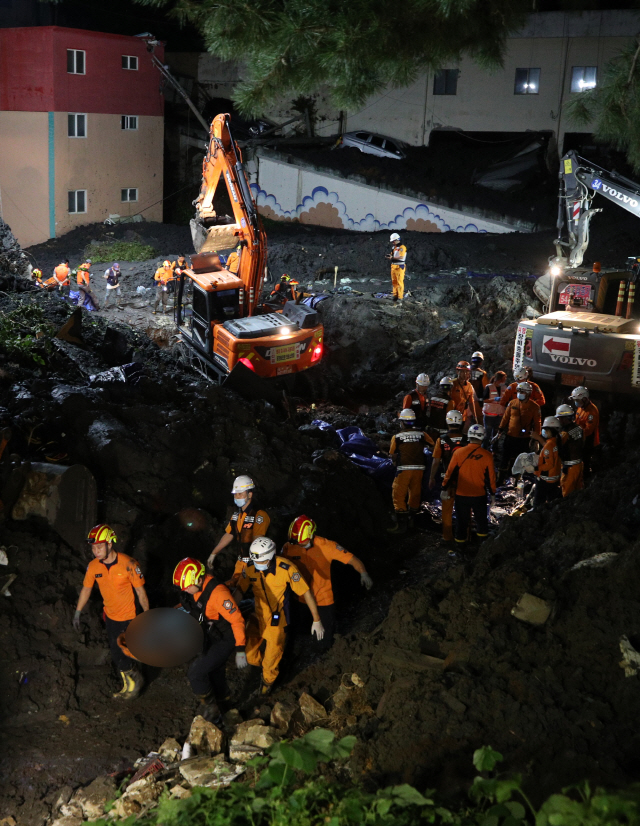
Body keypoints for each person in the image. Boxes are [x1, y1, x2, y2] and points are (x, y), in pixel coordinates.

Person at [232, 537, 324, 695]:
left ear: (270, 558)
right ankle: (272, 664)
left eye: (261, 563)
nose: (258, 568)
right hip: (258, 615)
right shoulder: (251, 567)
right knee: (250, 656)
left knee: (270, 661)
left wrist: (317, 620)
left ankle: (267, 685)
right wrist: (230, 610)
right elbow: (240, 590)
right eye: (256, 563)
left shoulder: (286, 569)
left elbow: (305, 592)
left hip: (277, 620)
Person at [73, 524, 149, 699]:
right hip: (111, 617)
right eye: (93, 547)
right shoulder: (93, 566)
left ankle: (137, 679)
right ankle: (130, 685)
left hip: (130, 617)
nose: (96, 551)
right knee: (117, 653)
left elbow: (141, 593)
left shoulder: (128, 564)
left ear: (109, 544)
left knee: (129, 651)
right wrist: (77, 612)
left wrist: (147, 616)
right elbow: (86, 589)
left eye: (99, 546)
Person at [282, 515, 372, 648]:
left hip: (323, 601)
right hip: (300, 599)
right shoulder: (289, 547)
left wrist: (363, 573)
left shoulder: (327, 546)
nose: (299, 545)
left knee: (324, 639)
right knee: (298, 633)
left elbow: (352, 559)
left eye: (302, 542)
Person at [173, 557, 247, 716]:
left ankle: (211, 711)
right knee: (215, 670)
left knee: (196, 673)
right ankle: (225, 704)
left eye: (187, 587)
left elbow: (237, 620)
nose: (184, 590)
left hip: (226, 637)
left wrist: (240, 649)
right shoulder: (194, 589)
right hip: (210, 631)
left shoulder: (218, 594)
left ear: (199, 580)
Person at [442, 423, 496, 550]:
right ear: (482, 437)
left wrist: (444, 488)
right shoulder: (487, 455)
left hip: (462, 495)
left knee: (461, 522)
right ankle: (481, 548)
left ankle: (460, 550)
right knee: (481, 521)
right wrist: (492, 494)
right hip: (479, 495)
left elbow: (449, 473)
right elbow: (491, 478)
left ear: (469, 436)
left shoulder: (458, 453)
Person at [208, 475, 270, 571]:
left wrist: (254, 563)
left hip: (255, 562)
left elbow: (258, 539)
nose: (237, 497)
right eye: (235, 494)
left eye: (240, 494)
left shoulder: (259, 515)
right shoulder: (236, 515)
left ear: (250, 494)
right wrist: (214, 553)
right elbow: (229, 534)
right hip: (240, 562)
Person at [387, 408, 435, 534]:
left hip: (404, 469)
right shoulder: (422, 434)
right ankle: (413, 521)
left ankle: (402, 526)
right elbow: (433, 446)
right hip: (419, 469)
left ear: (402, 422)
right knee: (415, 494)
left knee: (398, 495)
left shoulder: (397, 437)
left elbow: (392, 455)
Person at [428, 410, 468, 542]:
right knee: (464, 509)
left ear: (447, 421)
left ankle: (447, 537)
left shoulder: (442, 440)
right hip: (464, 479)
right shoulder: (467, 439)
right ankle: (464, 536)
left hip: (447, 480)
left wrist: (432, 477)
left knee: (447, 510)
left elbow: (436, 461)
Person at [498, 381, 541, 482]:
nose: (519, 393)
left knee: (521, 459)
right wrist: (500, 429)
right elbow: (505, 417)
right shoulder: (512, 403)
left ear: (528, 393)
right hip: (510, 436)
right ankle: (500, 479)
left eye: (522, 391)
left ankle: (516, 479)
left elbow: (537, 423)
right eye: (518, 391)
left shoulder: (534, 407)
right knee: (505, 458)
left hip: (524, 438)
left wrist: (536, 438)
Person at [530, 416, 562, 508]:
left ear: (550, 431)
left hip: (545, 479)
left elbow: (549, 464)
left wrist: (536, 468)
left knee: (538, 502)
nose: (543, 431)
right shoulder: (557, 442)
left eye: (545, 429)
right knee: (551, 500)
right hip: (554, 478)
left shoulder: (549, 445)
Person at [556, 403, 584, 496]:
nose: (559, 420)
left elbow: (556, 447)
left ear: (565, 418)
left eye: (560, 418)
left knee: (567, 493)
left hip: (569, 467)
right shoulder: (579, 428)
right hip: (579, 464)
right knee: (578, 490)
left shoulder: (565, 433)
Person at [571, 386, 599, 477]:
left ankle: (586, 478)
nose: (576, 403)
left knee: (585, 461)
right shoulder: (581, 407)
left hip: (588, 441)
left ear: (585, 399)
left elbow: (588, 431)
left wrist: (573, 433)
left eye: (578, 401)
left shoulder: (592, 412)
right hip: (580, 439)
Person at [450, 361, 481, 429]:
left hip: (462, 417)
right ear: (457, 372)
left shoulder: (469, 386)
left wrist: (475, 416)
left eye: (467, 372)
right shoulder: (452, 384)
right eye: (463, 372)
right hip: (451, 416)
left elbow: (471, 402)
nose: (465, 374)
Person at [482, 371, 508, 448]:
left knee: (497, 434)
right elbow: (484, 400)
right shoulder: (489, 387)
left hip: (500, 414)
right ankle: (484, 448)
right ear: (499, 379)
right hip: (489, 414)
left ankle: (494, 450)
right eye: (504, 379)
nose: (504, 381)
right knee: (487, 434)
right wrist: (494, 399)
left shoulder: (504, 388)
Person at [386, 232, 406, 302]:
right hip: (394, 266)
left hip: (399, 266)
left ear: (397, 240)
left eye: (393, 241)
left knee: (399, 282)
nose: (393, 243)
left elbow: (401, 256)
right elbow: (392, 255)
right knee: (394, 282)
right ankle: (395, 295)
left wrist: (392, 257)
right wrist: (390, 256)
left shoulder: (402, 247)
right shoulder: (394, 248)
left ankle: (400, 297)